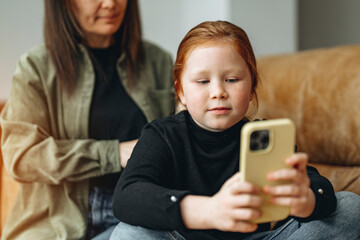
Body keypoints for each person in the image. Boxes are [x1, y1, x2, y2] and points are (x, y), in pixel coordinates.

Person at [109, 21, 360, 240]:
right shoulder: (162, 135)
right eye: (203, 81)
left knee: (350, 206)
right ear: (181, 92)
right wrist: (209, 211)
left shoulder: (263, 136)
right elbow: (127, 197)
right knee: (127, 233)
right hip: (181, 237)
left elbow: (319, 187)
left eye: (232, 80)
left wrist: (306, 201)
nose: (218, 91)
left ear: (251, 88)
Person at [0, 0, 174, 239]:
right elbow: (22, 157)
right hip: (57, 225)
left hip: (137, 213)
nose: (111, 4)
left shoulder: (159, 62)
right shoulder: (35, 67)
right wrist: (115, 153)